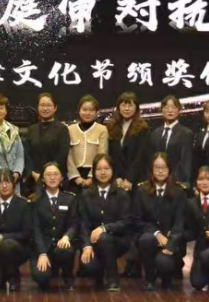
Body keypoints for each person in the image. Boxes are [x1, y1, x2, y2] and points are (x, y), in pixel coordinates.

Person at [106, 91, 149, 277]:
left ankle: (134, 266)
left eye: (130, 104)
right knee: (121, 223)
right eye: (123, 104)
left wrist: (129, 179)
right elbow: (111, 156)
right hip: (117, 182)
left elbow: (140, 157)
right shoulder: (112, 127)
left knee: (135, 224)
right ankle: (121, 264)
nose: (127, 108)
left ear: (136, 108)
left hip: (136, 183)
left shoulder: (143, 128)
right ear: (118, 107)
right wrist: (116, 177)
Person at [78, 154, 132, 292]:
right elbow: (84, 222)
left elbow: (126, 222)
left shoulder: (122, 194)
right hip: (94, 242)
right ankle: (99, 272)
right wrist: (86, 246)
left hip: (118, 240)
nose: (103, 172)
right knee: (89, 265)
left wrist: (104, 228)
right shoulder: (86, 194)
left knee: (104, 238)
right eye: (99, 169)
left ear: (112, 170)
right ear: (94, 171)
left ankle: (113, 279)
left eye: (106, 168)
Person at [132, 153, 186, 291]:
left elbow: (180, 223)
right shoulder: (142, 191)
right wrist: (156, 233)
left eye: (164, 167)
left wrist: (170, 244)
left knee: (164, 263)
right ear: (151, 169)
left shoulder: (179, 192)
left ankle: (167, 279)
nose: (160, 171)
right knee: (146, 239)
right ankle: (149, 278)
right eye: (157, 168)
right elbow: (137, 220)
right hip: (150, 238)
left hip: (171, 240)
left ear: (169, 169)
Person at [0, 169, 32, 292]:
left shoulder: (23, 204)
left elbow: (26, 233)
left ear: (13, 184)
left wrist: (2, 237)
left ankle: (13, 277)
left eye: (7, 182)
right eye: (0, 182)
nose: (4, 186)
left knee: (6, 244)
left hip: (17, 248)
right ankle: (2, 272)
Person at [30, 161, 78, 291]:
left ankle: (67, 275)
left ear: (62, 177)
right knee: (41, 278)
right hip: (44, 247)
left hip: (61, 245)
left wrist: (67, 236)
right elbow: (35, 230)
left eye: (56, 174)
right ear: (42, 179)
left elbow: (75, 223)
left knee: (66, 249)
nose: (52, 178)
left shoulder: (70, 199)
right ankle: (52, 269)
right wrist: (42, 253)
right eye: (48, 174)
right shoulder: (35, 201)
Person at [23, 93, 70, 192]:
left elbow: (63, 154)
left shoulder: (62, 129)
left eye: (48, 105)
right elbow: (26, 154)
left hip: (54, 178)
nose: (45, 108)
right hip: (34, 179)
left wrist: (48, 174)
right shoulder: (32, 129)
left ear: (55, 108)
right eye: (42, 105)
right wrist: (33, 173)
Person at [144, 95, 192, 189]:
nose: (170, 110)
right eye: (166, 107)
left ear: (179, 110)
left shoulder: (186, 133)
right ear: (161, 110)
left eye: (173, 107)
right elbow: (150, 159)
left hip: (176, 183)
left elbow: (185, 162)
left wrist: (171, 181)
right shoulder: (155, 133)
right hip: (156, 183)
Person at [67, 95, 109, 195]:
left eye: (91, 110)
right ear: (79, 111)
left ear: (96, 112)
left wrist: (91, 177)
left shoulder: (102, 129)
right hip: (74, 177)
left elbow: (102, 154)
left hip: (95, 175)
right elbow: (68, 155)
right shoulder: (70, 129)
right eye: (84, 110)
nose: (87, 113)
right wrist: (75, 177)